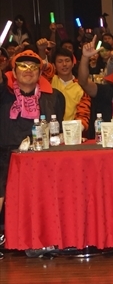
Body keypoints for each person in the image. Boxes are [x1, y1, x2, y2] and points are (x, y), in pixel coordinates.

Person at [0, 51, 66, 225]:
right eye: (22, 66)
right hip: (5, 160)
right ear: (14, 73)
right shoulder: (3, 94)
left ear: (40, 73)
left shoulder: (54, 97)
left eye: (33, 66)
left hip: (42, 160)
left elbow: (57, 131)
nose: (28, 69)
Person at [48, 47, 92, 131]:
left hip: (73, 130)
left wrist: (75, 130)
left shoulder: (81, 86)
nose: (64, 64)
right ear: (54, 65)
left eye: (67, 60)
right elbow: (43, 68)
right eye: (60, 61)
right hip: (51, 130)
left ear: (73, 63)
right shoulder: (49, 81)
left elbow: (83, 114)